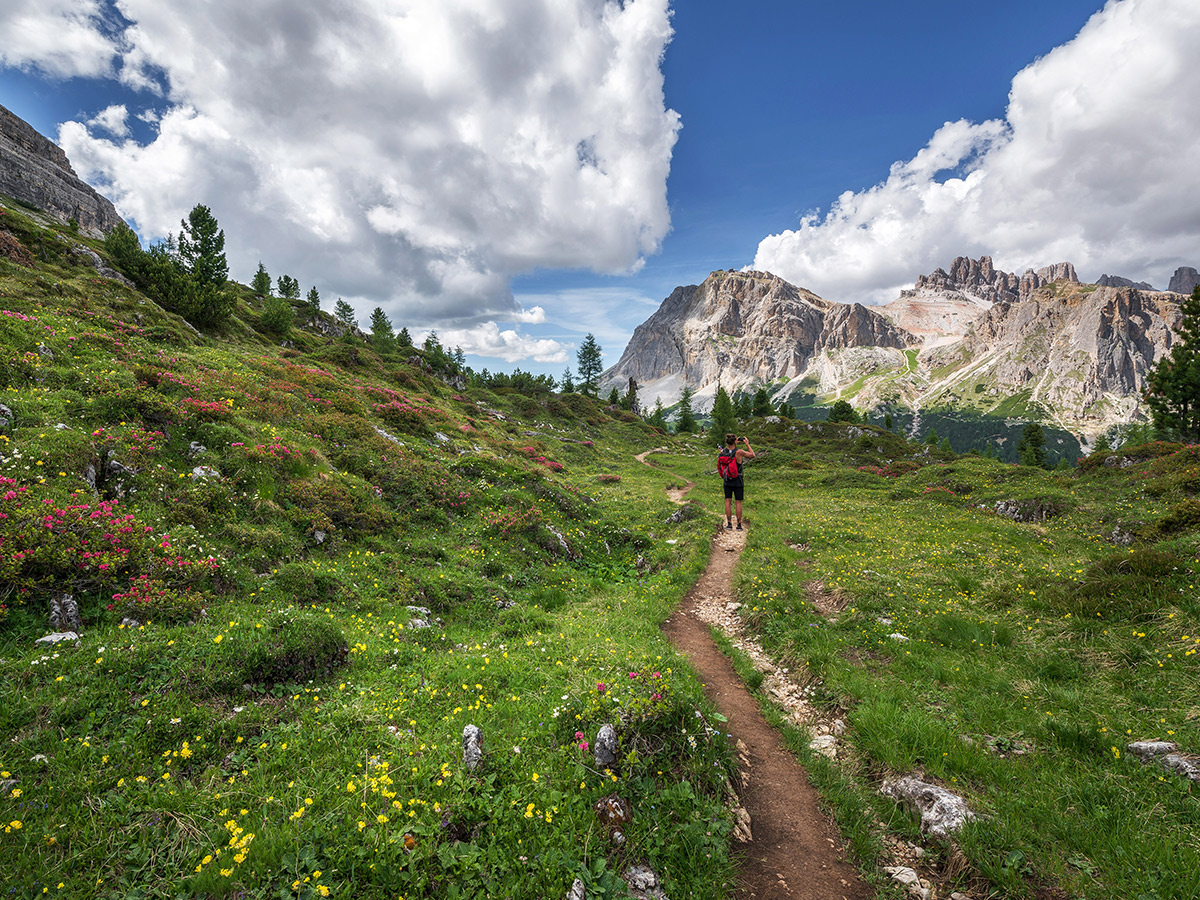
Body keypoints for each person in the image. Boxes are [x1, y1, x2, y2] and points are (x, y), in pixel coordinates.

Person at [718, 433, 755, 530]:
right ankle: (739, 525)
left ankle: (729, 524)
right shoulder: (739, 452)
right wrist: (747, 444)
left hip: (727, 480)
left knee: (727, 501)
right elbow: (752, 455)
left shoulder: (722, 452)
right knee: (738, 502)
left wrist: (734, 443)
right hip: (737, 479)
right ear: (735, 441)